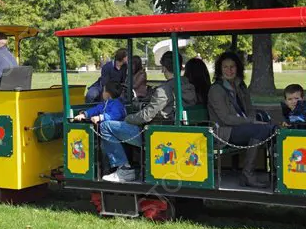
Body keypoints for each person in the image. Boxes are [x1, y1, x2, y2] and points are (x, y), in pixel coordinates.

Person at [98, 51, 196, 183]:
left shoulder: (164, 90)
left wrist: (128, 118)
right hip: (176, 131)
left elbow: (146, 116)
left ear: (164, 68)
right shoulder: (188, 86)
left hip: (156, 135)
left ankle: (125, 170)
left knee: (105, 126)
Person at [207, 51, 277, 188]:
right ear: (219, 70)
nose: (229, 70)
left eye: (232, 66)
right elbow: (226, 118)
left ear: (237, 68)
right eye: (225, 67)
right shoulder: (216, 89)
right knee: (259, 131)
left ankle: (277, 172)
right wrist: (252, 122)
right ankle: (247, 174)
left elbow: (249, 109)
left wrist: (253, 119)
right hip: (223, 131)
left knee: (274, 129)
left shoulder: (240, 86)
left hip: (240, 127)